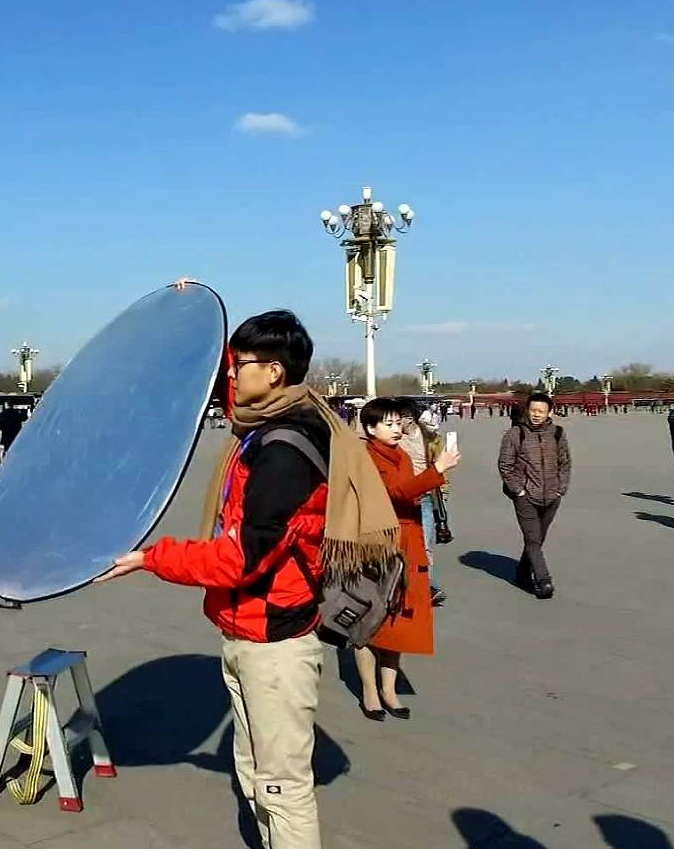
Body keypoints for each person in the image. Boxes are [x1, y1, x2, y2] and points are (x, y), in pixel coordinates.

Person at [97, 305, 402, 849]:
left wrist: (152, 558)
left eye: (240, 366)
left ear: (274, 372)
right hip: (248, 628)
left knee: (281, 785)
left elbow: (240, 560)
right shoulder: (273, 422)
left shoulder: (283, 450)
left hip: (275, 639)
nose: (231, 376)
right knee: (253, 769)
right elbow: (209, 383)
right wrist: (187, 316)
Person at [356, 398, 460, 721]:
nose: (396, 429)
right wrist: (436, 471)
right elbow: (396, 492)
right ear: (370, 429)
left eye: (397, 423)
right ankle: (369, 691)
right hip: (379, 546)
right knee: (369, 621)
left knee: (399, 619)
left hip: (407, 541)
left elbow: (407, 492)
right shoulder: (367, 457)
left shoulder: (399, 454)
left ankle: (389, 689)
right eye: (388, 424)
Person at [498, 392, 572, 599]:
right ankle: (543, 580)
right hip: (526, 497)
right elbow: (505, 465)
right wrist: (518, 490)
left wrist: (561, 488)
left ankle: (522, 572)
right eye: (533, 410)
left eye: (541, 411)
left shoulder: (558, 433)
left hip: (552, 496)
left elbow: (565, 462)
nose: (536, 414)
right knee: (532, 539)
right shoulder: (515, 434)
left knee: (537, 539)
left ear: (550, 412)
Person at [395, 399, 447, 606]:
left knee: (425, 544)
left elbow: (439, 463)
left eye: (398, 419)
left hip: (424, 497)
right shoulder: (393, 438)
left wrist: (443, 492)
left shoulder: (427, 436)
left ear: (409, 418)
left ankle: (426, 586)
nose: (395, 424)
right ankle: (405, 586)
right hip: (400, 497)